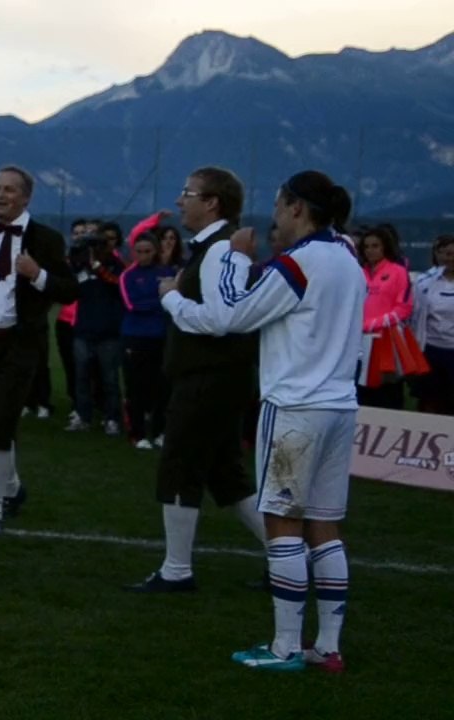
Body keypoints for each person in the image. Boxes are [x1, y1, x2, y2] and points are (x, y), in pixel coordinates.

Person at [161, 170, 363, 673]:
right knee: (325, 525)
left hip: (295, 405)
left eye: (278, 205)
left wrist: (234, 256)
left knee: (283, 522)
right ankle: (329, 646)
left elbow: (231, 315)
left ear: (297, 207)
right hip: (340, 404)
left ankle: (285, 646)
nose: (272, 216)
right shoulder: (348, 256)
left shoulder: (298, 263)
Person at [125, 166, 266, 593]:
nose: (181, 200)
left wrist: (171, 298)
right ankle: (294, 558)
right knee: (227, 477)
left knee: (180, 466)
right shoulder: (218, 247)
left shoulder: (220, 250)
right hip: (219, 377)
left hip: (209, 377)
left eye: (189, 193)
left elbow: (221, 321)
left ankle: (176, 569)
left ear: (212, 203)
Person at [0, 167, 79, 535]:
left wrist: (37, 274)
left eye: (9, 190)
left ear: (25, 197)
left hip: (20, 344)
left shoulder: (44, 239)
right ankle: (12, 487)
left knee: (0, 423)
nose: (0, 195)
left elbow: (69, 289)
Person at [66, 233, 126, 436]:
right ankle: (83, 416)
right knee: (81, 377)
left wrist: (98, 266)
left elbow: (119, 284)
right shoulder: (80, 267)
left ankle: (112, 419)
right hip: (83, 329)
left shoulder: (114, 265)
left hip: (108, 331)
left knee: (109, 380)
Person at [119, 233, 175, 449]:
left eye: (147, 251)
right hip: (135, 337)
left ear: (155, 251)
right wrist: (160, 301)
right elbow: (132, 304)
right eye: (139, 252)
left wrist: (161, 301)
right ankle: (138, 433)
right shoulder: (128, 276)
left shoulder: (166, 272)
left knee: (162, 387)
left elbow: (174, 298)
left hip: (161, 337)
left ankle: (160, 431)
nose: (143, 256)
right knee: (136, 387)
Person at [356, 227, 413, 410]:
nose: (370, 250)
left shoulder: (398, 271)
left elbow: (404, 308)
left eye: (375, 246)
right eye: (366, 246)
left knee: (388, 392)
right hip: (358, 341)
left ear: (385, 247)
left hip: (387, 340)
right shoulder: (358, 272)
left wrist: (371, 324)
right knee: (359, 390)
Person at [411, 235, 454, 415]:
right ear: (436, 254)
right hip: (430, 349)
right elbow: (416, 314)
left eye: (452, 253)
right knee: (430, 400)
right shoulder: (424, 282)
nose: (449, 258)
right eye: (444, 253)